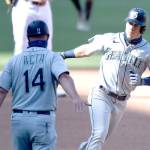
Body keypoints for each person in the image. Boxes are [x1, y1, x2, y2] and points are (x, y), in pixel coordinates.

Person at [61, 7, 150, 150]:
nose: (132, 27)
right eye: (130, 23)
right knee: (99, 134)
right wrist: (63, 55)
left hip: (121, 101)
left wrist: (143, 81)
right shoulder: (110, 39)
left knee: (100, 138)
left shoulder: (147, 51)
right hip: (101, 94)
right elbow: (87, 50)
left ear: (142, 28)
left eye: (136, 25)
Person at [0, 20, 86, 150]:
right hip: (42, 121)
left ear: (28, 38)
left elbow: (1, 91)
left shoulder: (13, 61)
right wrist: (75, 97)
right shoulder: (53, 58)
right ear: (47, 37)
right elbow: (64, 77)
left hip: (18, 121)